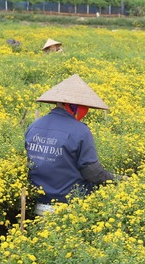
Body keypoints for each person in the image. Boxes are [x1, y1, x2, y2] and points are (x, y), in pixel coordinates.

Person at [25, 74, 118, 215]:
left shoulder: (34, 126)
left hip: (38, 203)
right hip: (70, 206)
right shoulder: (80, 131)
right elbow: (92, 172)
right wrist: (116, 179)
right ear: (74, 106)